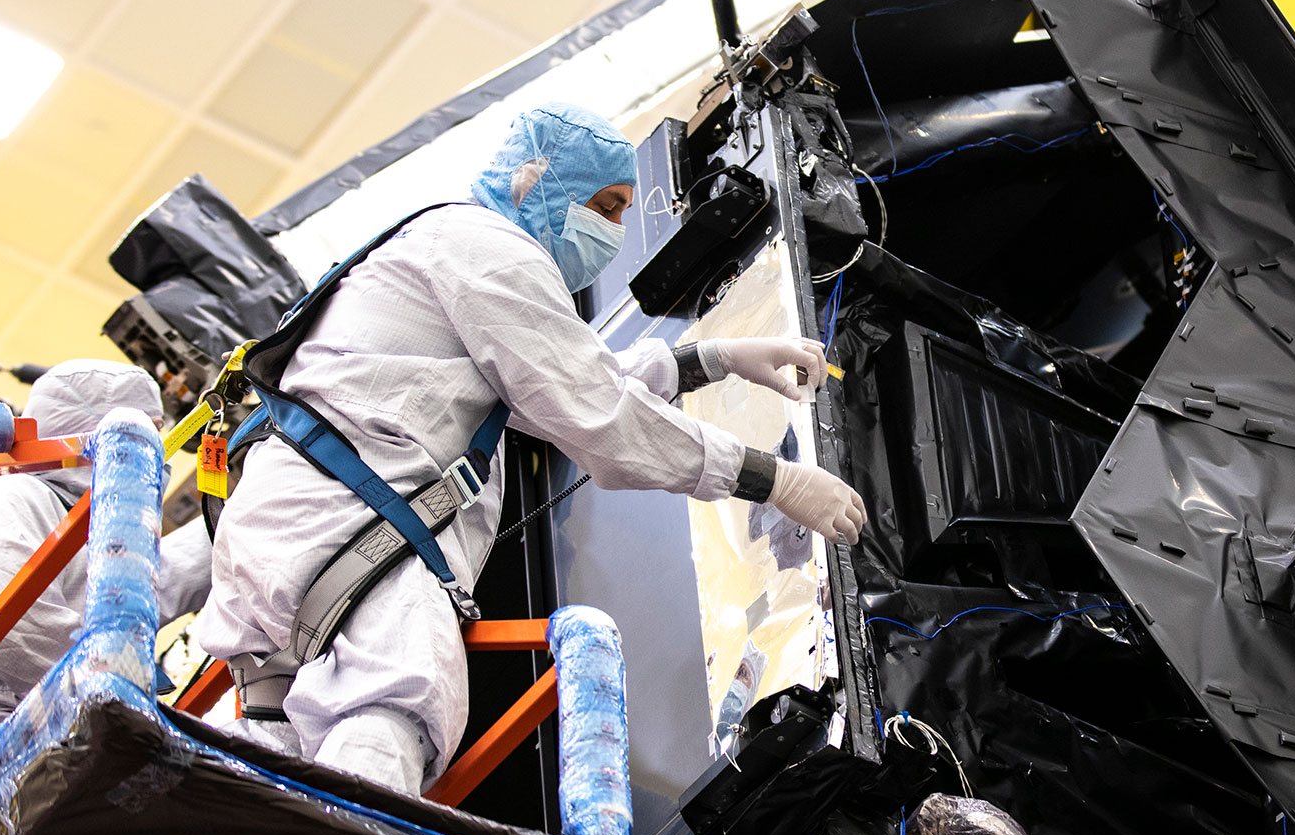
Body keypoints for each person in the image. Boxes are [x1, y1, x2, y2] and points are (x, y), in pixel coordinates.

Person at [194, 103, 866, 796]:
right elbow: (600, 417)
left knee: (264, 784)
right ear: (536, 178)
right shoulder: (490, 251)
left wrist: (716, 357)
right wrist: (774, 480)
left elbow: (574, 383)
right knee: (395, 706)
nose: (611, 231)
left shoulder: (447, 245)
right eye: (604, 205)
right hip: (341, 540)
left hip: (279, 536)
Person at [0, 359, 213, 770]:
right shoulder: (5, 501)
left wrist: (236, 523)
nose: (157, 452)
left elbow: (150, 590)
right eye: (150, 432)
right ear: (92, 431)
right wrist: (125, 696)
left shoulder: (98, 532)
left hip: (87, 758)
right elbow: (12, 629)